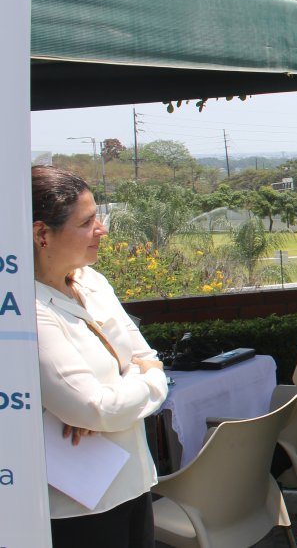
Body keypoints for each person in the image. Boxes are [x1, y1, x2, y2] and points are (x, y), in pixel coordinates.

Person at [32, 165, 168, 547]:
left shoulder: (92, 281)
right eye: (86, 222)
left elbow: (146, 356)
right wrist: (146, 380)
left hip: (134, 482)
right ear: (42, 234)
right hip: (77, 506)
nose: (102, 229)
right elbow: (94, 407)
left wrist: (113, 400)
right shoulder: (25, 309)